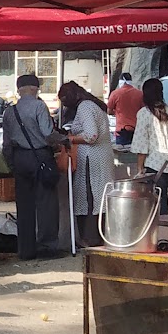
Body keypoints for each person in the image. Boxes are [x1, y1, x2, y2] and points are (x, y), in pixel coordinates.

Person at [3, 73, 61, 260]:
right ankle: (46, 247)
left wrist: (12, 163)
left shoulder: (9, 112)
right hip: (40, 157)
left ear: (19, 90)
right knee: (46, 204)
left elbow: (6, 144)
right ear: (35, 89)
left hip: (20, 159)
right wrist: (62, 140)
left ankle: (26, 250)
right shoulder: (38, 106)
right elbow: (47, 133)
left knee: (24, 205)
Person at [59, 82, 110, 248]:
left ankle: (91, 238)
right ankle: (97, 237)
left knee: (89, 198)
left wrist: (70, 139)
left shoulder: (85, 107)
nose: (64, 105)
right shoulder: (94, 105)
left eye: (65, 101)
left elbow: (91, 135)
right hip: (100, 157)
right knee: (98, 198)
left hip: (91, 159)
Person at [130, 78, 168, 213]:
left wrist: (140, 169)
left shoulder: (144, 114)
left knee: (157, 207)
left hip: (154, 167)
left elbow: (141, 145)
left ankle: (161, 233)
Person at [106, 73, 144, 146]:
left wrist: (117, 112)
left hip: (121, 131)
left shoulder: (115, 94)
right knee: (137, 154)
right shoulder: (140, 94)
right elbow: (143, 110)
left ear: (120, 82)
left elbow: (109, 111)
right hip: (137, 130)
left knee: (122, 155)